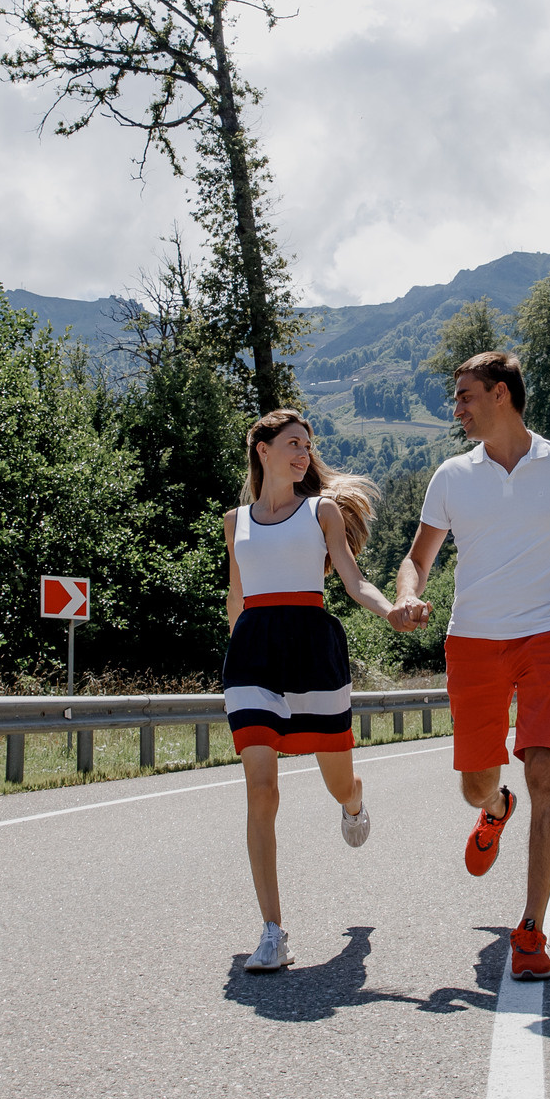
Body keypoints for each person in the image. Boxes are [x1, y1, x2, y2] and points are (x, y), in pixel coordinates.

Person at [388, 351, 550, 982]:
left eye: (465, 396)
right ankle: (496, 807)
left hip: (549, 633)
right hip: (473, 640)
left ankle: (531, 929)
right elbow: (417, 559)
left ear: (501, 394)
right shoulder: (452, 476)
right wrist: (408, 594)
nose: (457, 408)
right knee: (475, 782)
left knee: (546, 768)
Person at [223, 409, 397, 973]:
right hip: (252, 655)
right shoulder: (234, 522)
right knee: (261, 789)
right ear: (263, 449)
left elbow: (353, 580)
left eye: (307, 446)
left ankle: (354, 799)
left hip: (312, 648)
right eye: (293, 444)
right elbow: (236, 596)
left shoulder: (321, 511)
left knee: (336, 779)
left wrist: (392, 611)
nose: (304, 454)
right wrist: (236, 650)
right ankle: (272, 931)